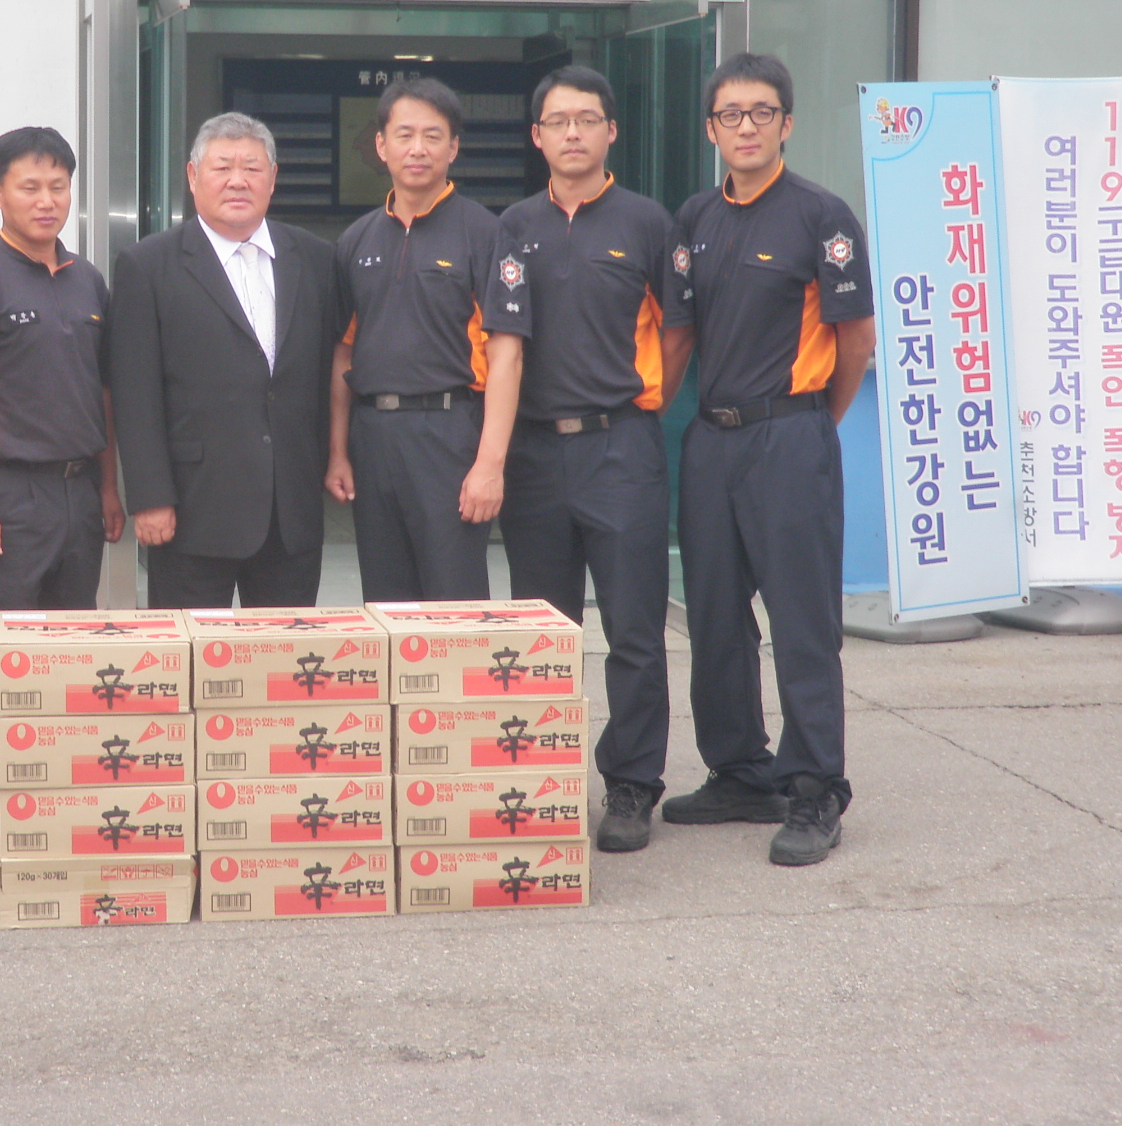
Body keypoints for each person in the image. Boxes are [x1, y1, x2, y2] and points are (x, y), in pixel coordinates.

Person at [659, 52, 877, 867]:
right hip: (711, 442)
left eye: (760, 113)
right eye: (730, 114)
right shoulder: (693, 219)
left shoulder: (822, 216)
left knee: (802, 620)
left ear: (786, 124)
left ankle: (815, 786)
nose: (745, 127)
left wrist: (813, 422)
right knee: (714, 616)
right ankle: (740, 772)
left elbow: (856, 339)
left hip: (790, 437)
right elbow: (679, 335)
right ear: (710, 129)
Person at [481, 65, 678, 854]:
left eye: (587, 119)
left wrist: (638, 400)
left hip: (620, 447)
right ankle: (545, 776)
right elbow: (502, 344)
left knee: (633, 629)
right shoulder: (513, 225)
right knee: (543, 629)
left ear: (610, 132)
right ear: (537, 137)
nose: (572, 133)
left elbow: (677, 335)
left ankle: (631, 784)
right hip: (533, 453)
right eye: (558, 121)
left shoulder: (647, 222)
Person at [0, 126, 125, 855]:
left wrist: (108, 487)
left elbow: (102, 394)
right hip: (6, 496)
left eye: (58, 187)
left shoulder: (88, 281)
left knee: (71, 656)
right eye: (29, 187)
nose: (46, 201)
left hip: (78, 493)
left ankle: (61, 797)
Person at [108, 112, 341, 608]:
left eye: (252, 168)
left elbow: (327, 371)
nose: (238, 181)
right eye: (222, 168)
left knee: (285, 652)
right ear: (193, 177)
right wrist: (150, 497)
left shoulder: (316, 258)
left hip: (290, 512)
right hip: (192, 511)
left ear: (273, 178)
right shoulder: (147, 265)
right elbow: (135, 394)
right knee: (190, 652)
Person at [326, 77, 506, 601]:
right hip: (373, 436)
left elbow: (507, 357)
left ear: (453, 148)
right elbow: (342, 353)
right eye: (404, 135)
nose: (418, 149)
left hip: (449, 434)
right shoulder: (356, 240)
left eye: (433, 136)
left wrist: (490, 464)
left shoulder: (483, 232)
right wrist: (338, 451)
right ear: (381, 146)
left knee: (454, 602)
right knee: (386, 602)